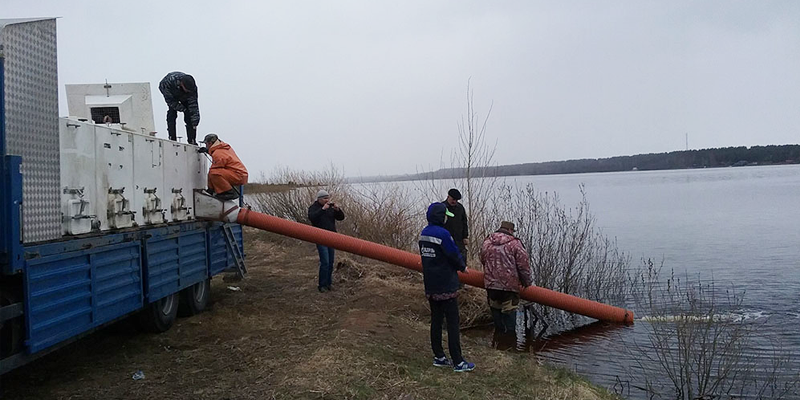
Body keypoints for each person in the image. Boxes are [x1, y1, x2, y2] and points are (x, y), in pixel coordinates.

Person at [419, 202, 475, 373]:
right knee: (452, 323)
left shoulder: (424, 233)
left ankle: (439, 356)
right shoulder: (443, 234)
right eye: (445, 216)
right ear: (440, 216)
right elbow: (452, 254)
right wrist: (463, 267)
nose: (446, 218)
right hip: (446, 284)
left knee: (436, 320)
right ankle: (458, 361)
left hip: (431, 284)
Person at [479, 221, 533, 334]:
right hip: (509, 286)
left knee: (496, 313)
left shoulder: (487, 241)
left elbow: (483, 259)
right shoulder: (515, 244)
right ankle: (510, 344)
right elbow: (523, 266)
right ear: (510, 230)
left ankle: (498, 342)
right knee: (509, 315)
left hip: (491, 285)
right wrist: (527, 282)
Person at [308, 190, 345, 292]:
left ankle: (329, 284)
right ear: (319, 199)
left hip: (331, 238)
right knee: (325, 262)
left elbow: (341, 218)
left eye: (328, 198)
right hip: (320, 238)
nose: (327, 200)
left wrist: (338, 210)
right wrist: (322, 210)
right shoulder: (313, 208)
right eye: (324, 198)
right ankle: (322, 285)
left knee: (331, 262)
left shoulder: (330, 208)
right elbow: (312, 218)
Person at [197, 133, 248, 201]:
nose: (206, 146)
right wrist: (207, 151)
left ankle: (228, 192)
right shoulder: (223, 148)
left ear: (209, 143)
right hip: (240, 174)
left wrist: (211, 188)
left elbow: (215, 170)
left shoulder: (218, 153)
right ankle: (214, 191)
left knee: (214, 172)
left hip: (238, 175)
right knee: (213, 172)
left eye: (206, 144)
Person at [159, 71, 200, 144]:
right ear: (182, 84)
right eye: (187, 89)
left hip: (183, 96)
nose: (188, 91)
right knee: (172, 113)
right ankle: (172, 137)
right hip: (171, 93)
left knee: (189, 115)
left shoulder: (192, 89)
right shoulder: (168, 83)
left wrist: (195, 122)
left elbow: (194, 105)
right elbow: (170, 101)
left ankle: (192, 140)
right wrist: (182, 109)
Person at [442, 188, 469, 259]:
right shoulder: (441, 207)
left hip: (459, 240)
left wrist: (465, 236)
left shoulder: (460, 208)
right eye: (453, 199)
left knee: (462, 259)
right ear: (448, 197)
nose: (454, 201)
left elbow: (464, 222)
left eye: (456, 200)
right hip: (446, 240)